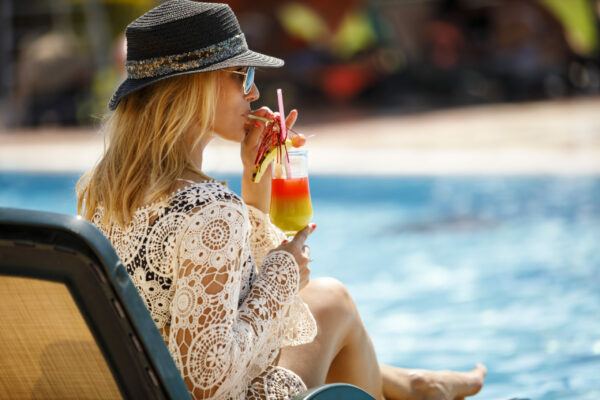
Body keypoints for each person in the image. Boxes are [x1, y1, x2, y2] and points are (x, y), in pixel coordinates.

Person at [77, 2, 486, 399]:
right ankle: (408, 385)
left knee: (324, 302)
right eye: (241, 74)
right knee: (333, 300)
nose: (254, 91)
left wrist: (254, 183)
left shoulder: (99, 189)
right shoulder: (207, 207)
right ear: (193, 86)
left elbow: (205, 309)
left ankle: (407, 384)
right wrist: (281, 275)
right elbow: (206, 382)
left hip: (138, 385)